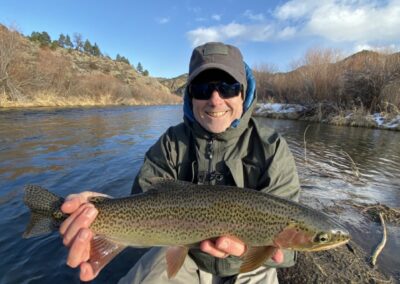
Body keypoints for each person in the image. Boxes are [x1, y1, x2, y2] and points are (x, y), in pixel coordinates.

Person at [59, 42, 300, 283]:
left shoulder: (271, 146)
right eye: (203, 88)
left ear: (243, 92)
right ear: (190, 95)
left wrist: (260, 250)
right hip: (185, 255)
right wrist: (99, 211)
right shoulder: (171, 143)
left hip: (252, 264)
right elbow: (143, 205)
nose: (215, 100)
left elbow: (287, 245)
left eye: (228, 88)